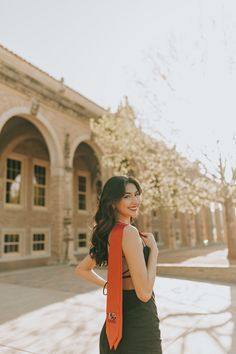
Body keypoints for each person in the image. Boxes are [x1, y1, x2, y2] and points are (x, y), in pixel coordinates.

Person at [74, 175, 162, 353]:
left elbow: (82, 269)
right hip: (139, 322)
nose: (135, 200)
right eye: (126, 196)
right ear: (113, 202)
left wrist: (110, 285)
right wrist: (154, 251)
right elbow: (144, 293)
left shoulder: (109, 232)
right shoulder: (129, 232)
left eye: (136, 194)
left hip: (114, 324)